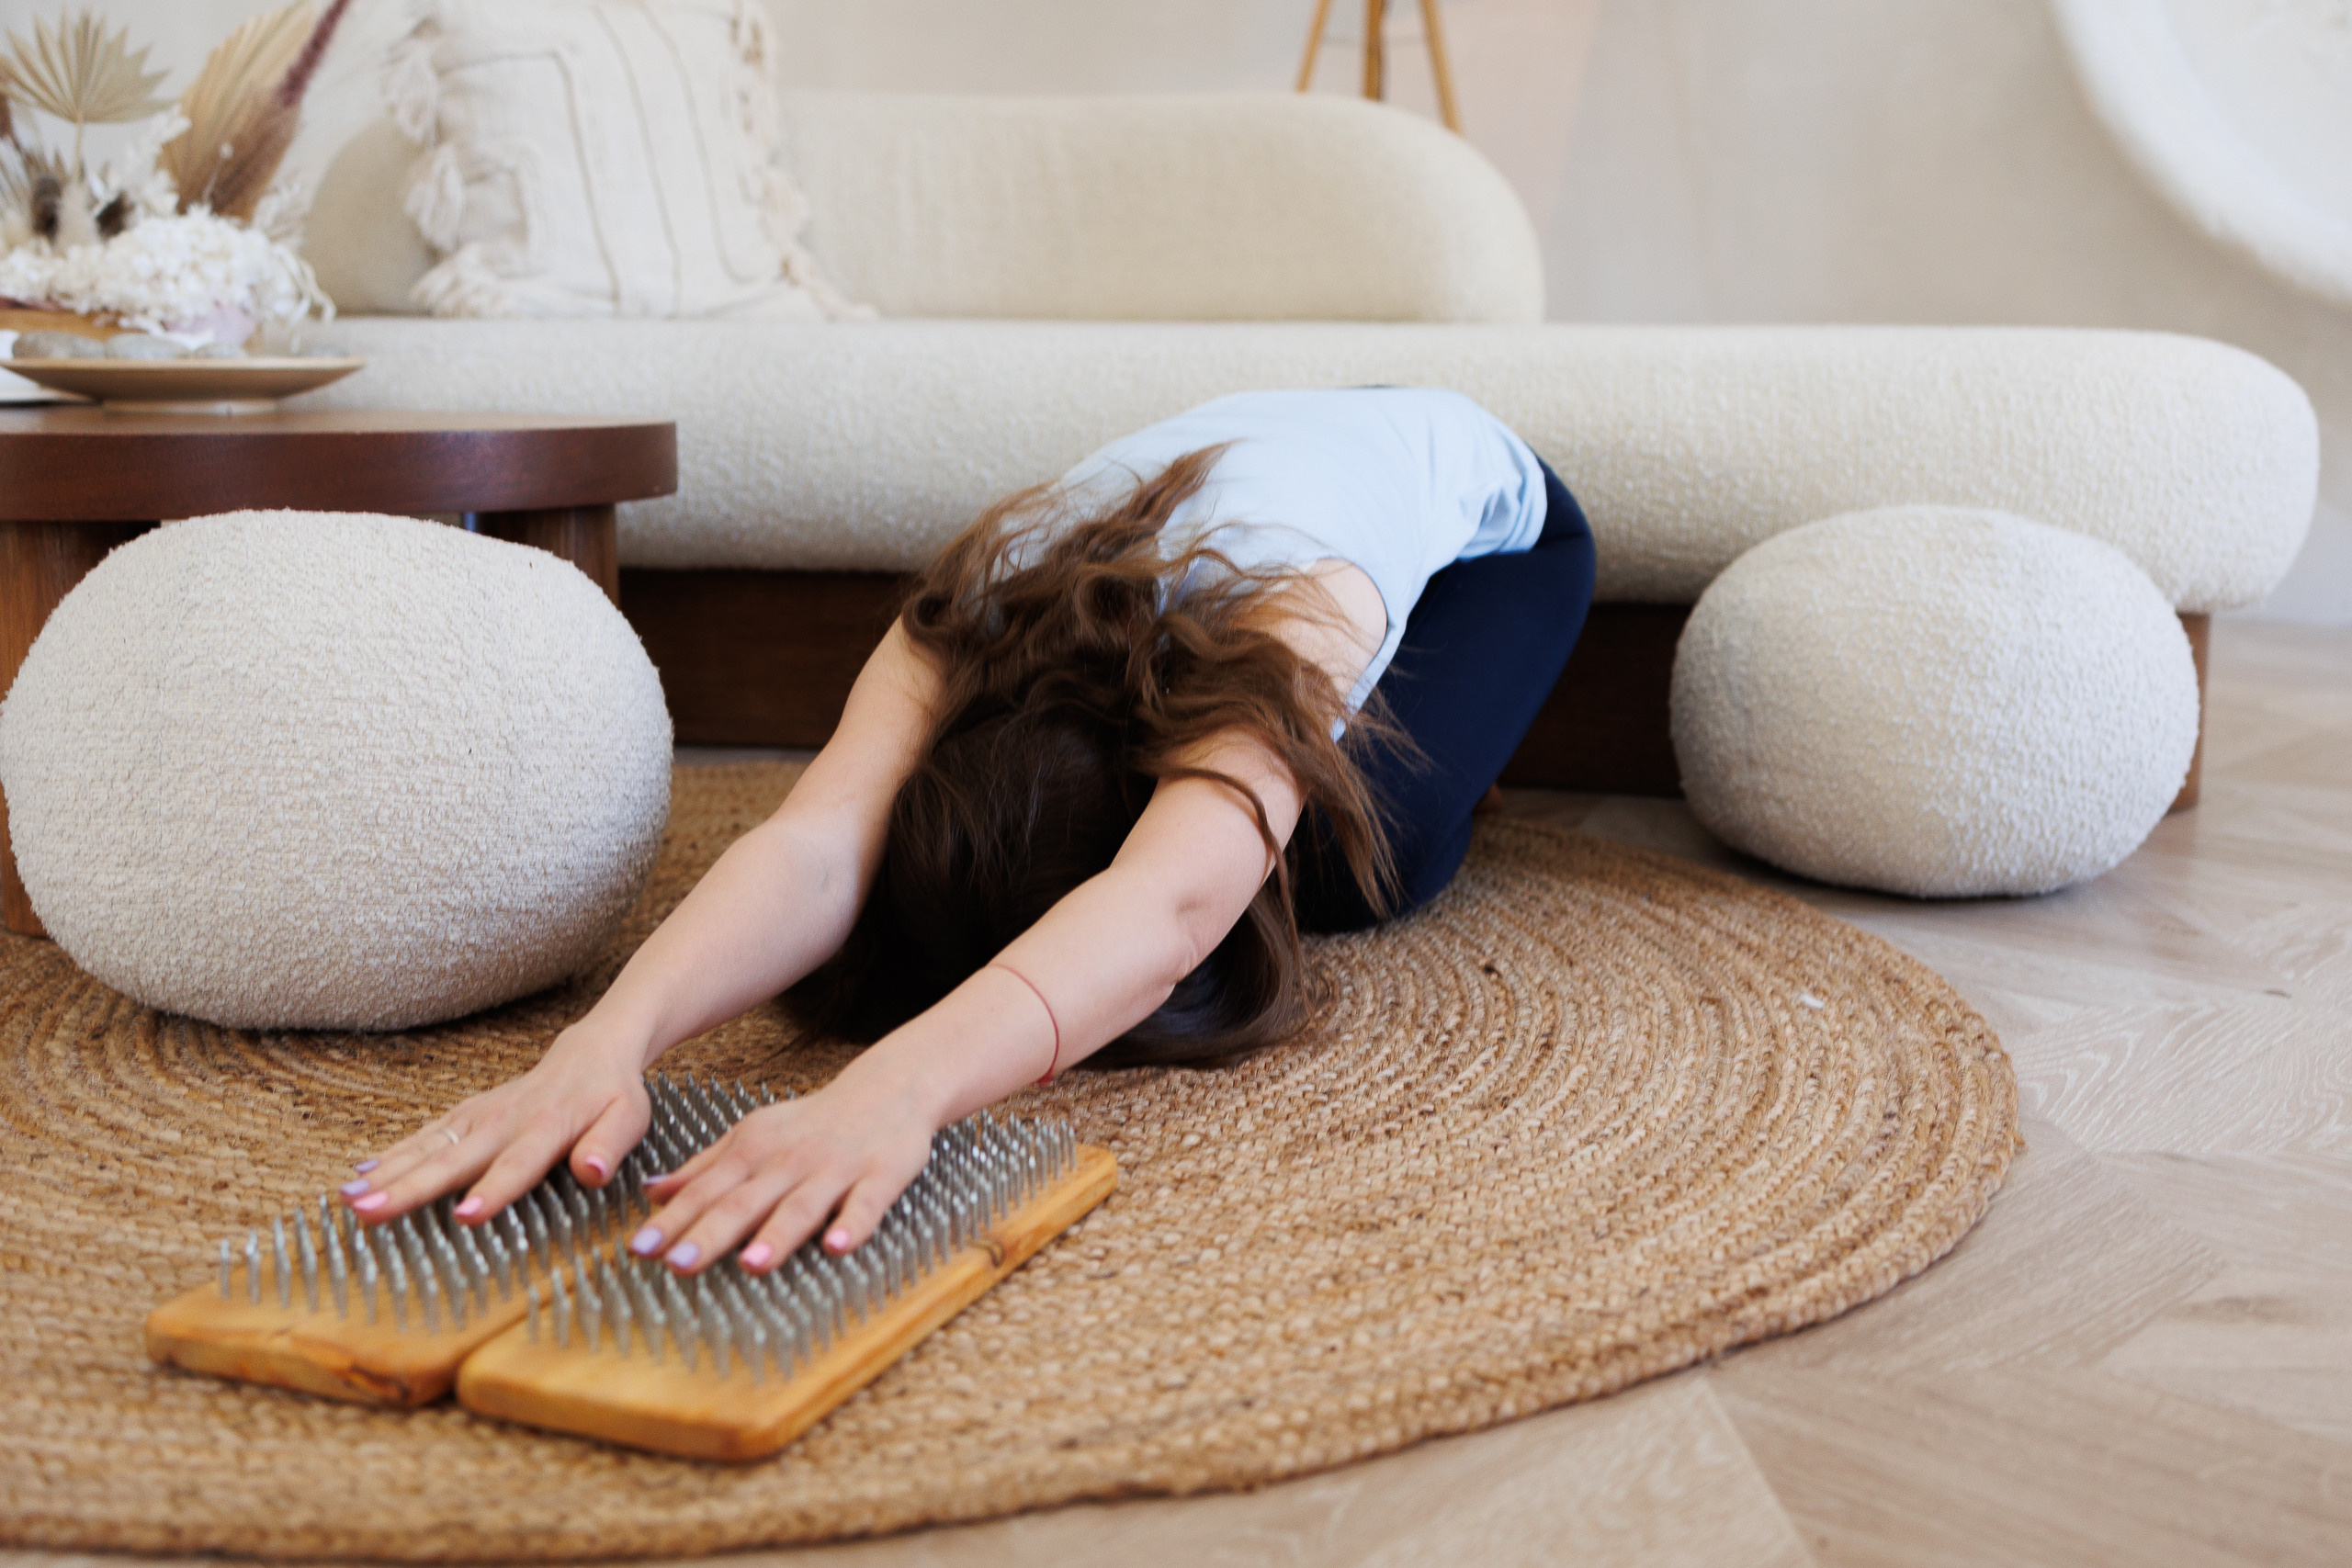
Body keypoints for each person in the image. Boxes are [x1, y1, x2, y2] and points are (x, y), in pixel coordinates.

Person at [340, 388, 1596, 1273]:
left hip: (1495, 534)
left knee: (1353, 865)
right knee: (1231, 847)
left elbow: (1168, 910)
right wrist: (608, 1040)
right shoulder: (966, 616)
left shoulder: (1288, 617)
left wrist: (900, 1086)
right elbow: (821, 840)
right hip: (1269, 464)